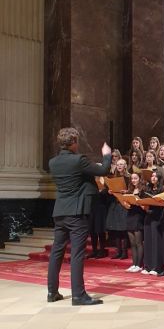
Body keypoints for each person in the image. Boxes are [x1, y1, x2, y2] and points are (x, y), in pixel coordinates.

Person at [47, 128, 111, 306]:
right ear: (74, 142)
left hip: (60, 211)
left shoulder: (53, 162)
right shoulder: (78, 160)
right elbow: (103, 170)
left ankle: (52, 292)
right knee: (77, 253)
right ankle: (78, 295)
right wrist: (107, 155)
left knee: (56, 252)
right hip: (77, 212)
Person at [141, 168, 164, 276]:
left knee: (156, 241)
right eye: (152, 176)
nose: (153, 178)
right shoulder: (148, 189)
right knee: (148, 241)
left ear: (159, 178)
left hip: (157, 216)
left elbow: (163, 204)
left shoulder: (161, 189)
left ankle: (157, 267)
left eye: (155, 176)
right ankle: (147, 266)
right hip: (148, 215)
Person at [124, 172, 146, 272]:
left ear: (140, 179)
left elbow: (145, 204)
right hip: (130, 215)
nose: (133, 180)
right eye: (132, 179)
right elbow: (127, 204)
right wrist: (125, 203)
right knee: (132, 243)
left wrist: (138, 201)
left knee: (138, 242)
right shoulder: (130, 190)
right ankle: (134, 264)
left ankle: (139, 265)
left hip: (138, 215)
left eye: (135, 178)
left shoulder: (143, 190)